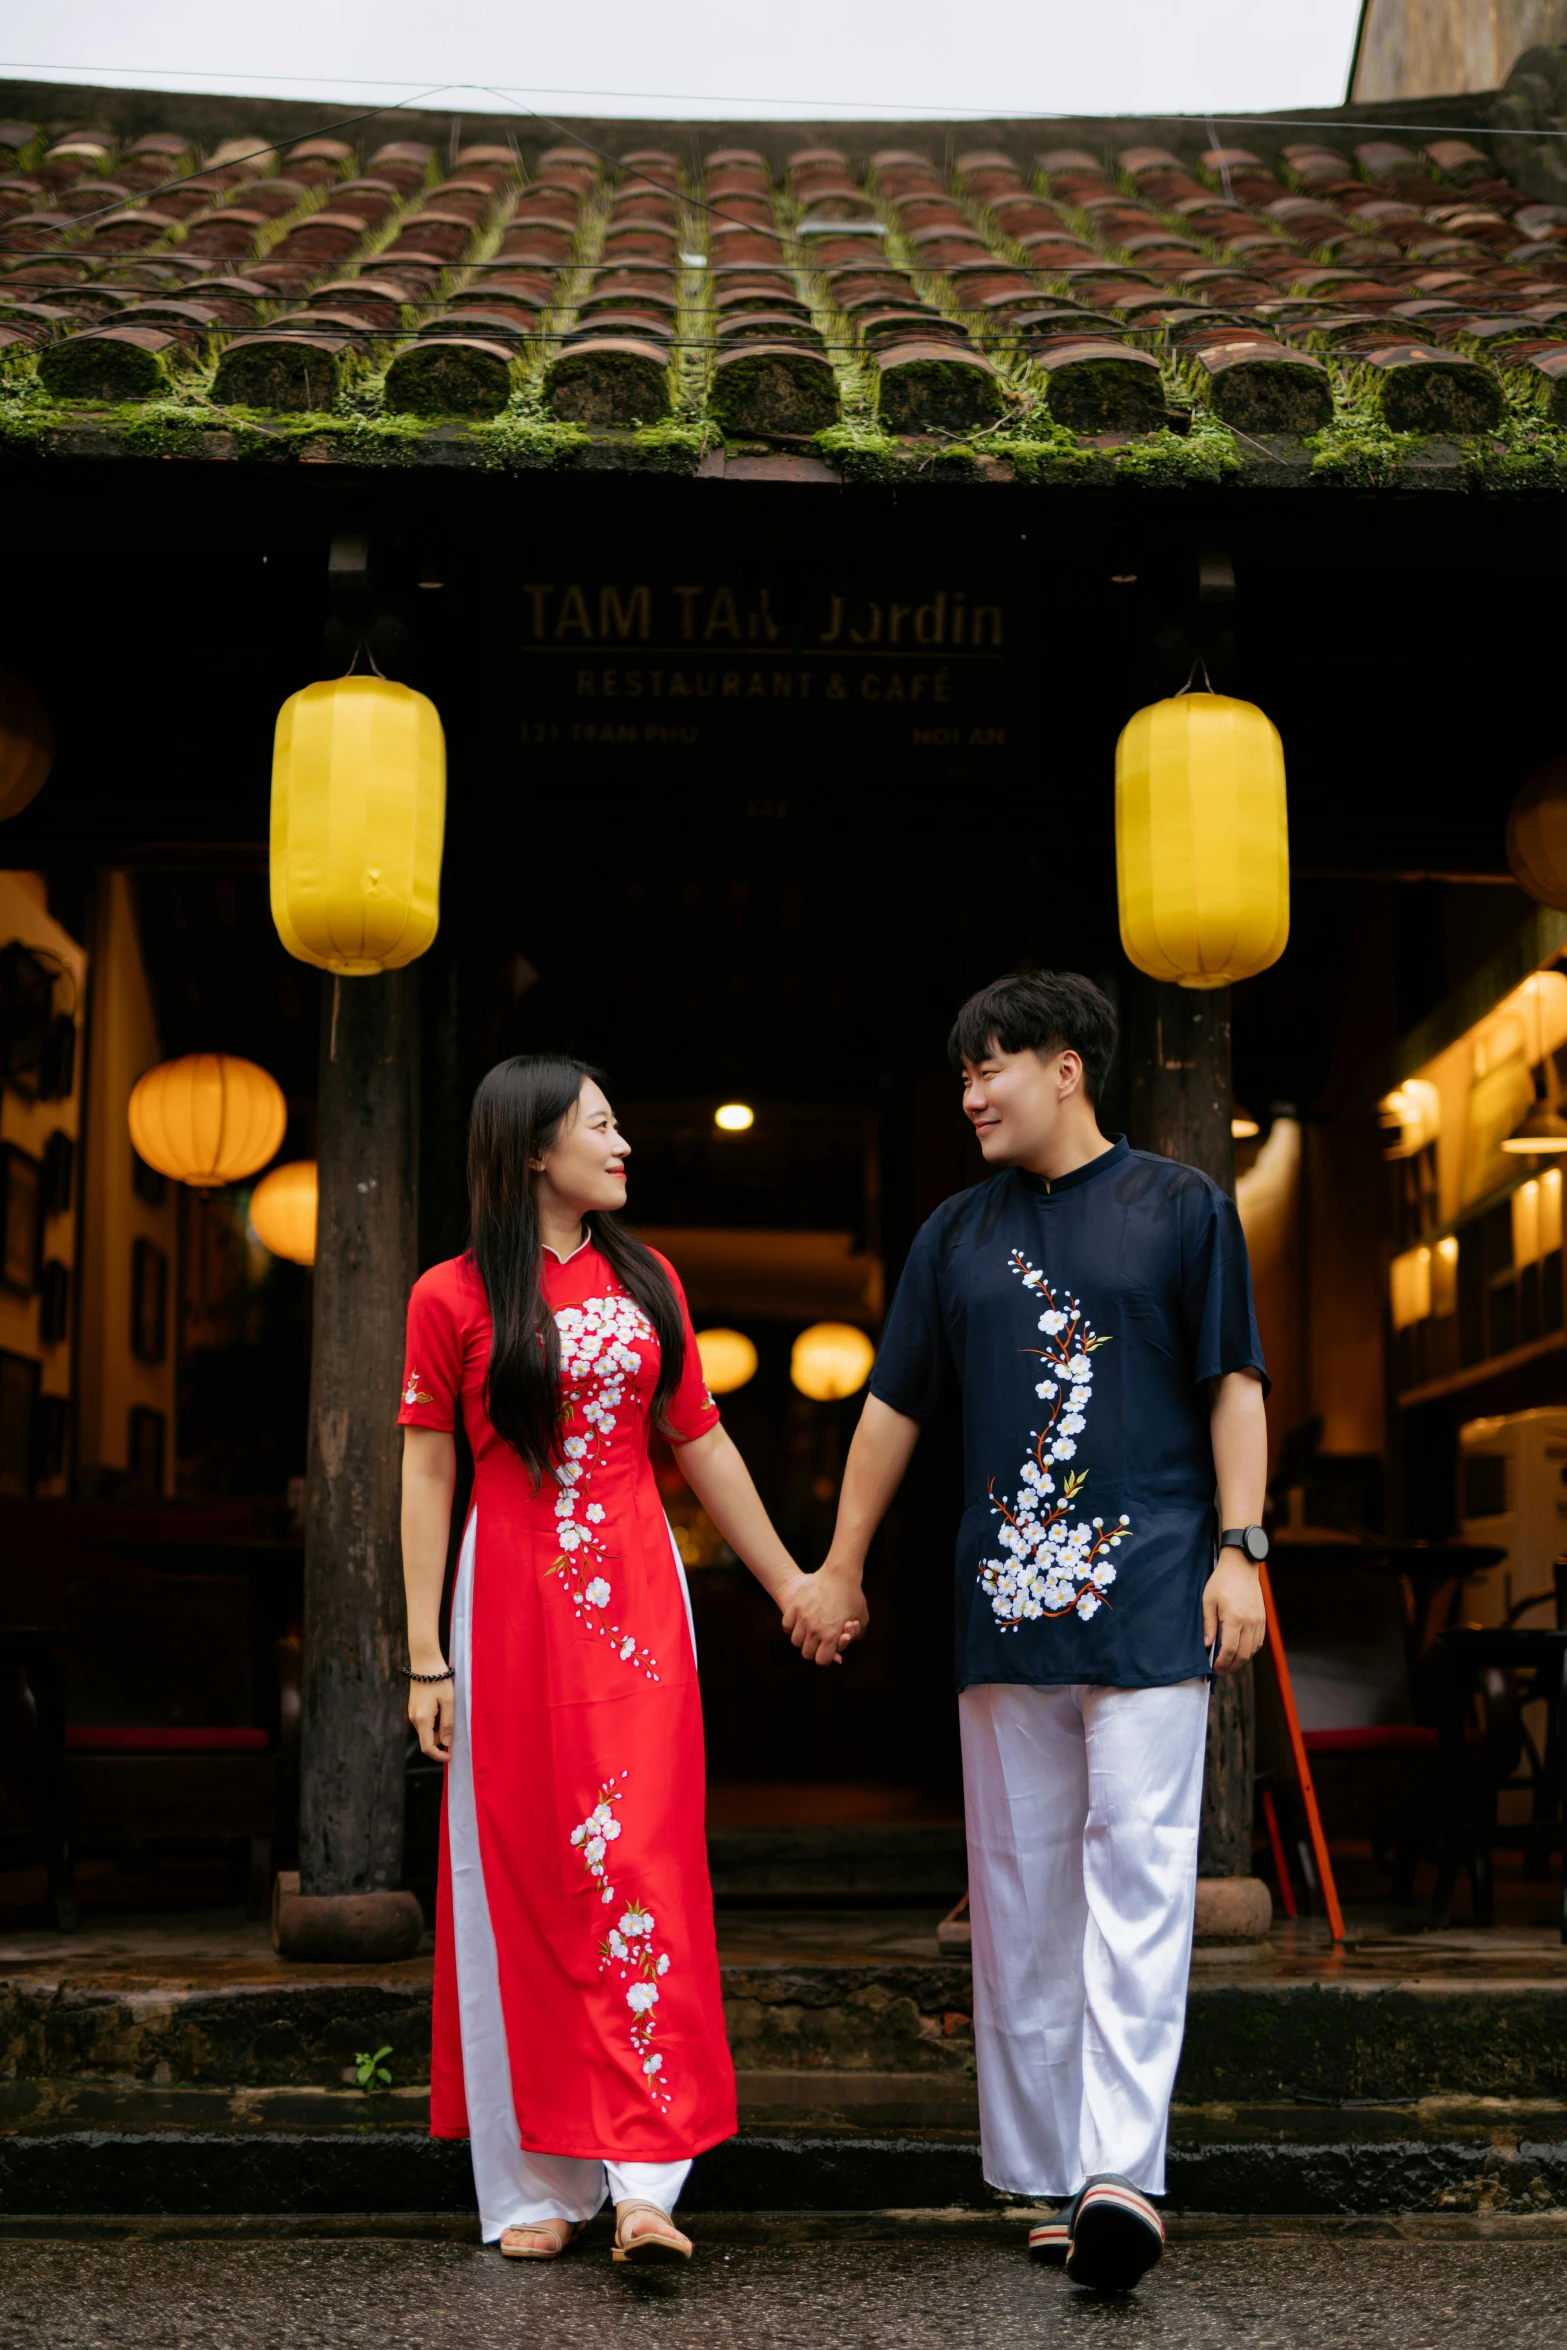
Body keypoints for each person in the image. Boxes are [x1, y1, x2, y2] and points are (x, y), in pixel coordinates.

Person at [785, 971, 1268, 2294]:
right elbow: (890, 1408)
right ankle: (1055, 2171)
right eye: (957, 1074)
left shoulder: (1181, 1208)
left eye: (988, 1068)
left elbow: (1233, 1382)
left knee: (1135, 1874)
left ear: (1065, 1067)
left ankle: (1122, 2168)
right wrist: (837, 1561)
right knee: (1018, 1894)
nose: (967, 1095)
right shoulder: (952, 1233)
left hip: (1156, 1584)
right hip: (1000, 1605)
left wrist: (1240, 1547)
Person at [400, 1055, 855, 2264]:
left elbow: (698, 1441)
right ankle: (535, 2183)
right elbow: (429, 1466)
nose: (624, 1146)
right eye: (600, 1127)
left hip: (638, 1600)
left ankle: (646, 2176)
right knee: (522, 1873)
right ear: (532, 1149)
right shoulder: (448, 1294)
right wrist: (418, 1656)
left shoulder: (649, 1278)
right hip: (500, 1600)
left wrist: (791, 1584)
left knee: (641, 1855)